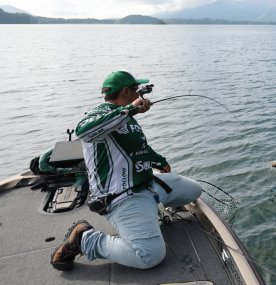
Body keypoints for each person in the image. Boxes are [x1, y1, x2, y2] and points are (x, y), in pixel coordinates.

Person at [50, 70, 202, 271]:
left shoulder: (126, 117)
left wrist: (159, 161)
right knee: (150, 256)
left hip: (148, 186)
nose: (139, 94)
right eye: (135, 90)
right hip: (123, 197)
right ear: (125, 92)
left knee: (194, 190)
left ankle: (151, 212)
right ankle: (85, 240)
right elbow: (83, 131)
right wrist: (129, 109)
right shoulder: (99, 114)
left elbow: (138, 146)